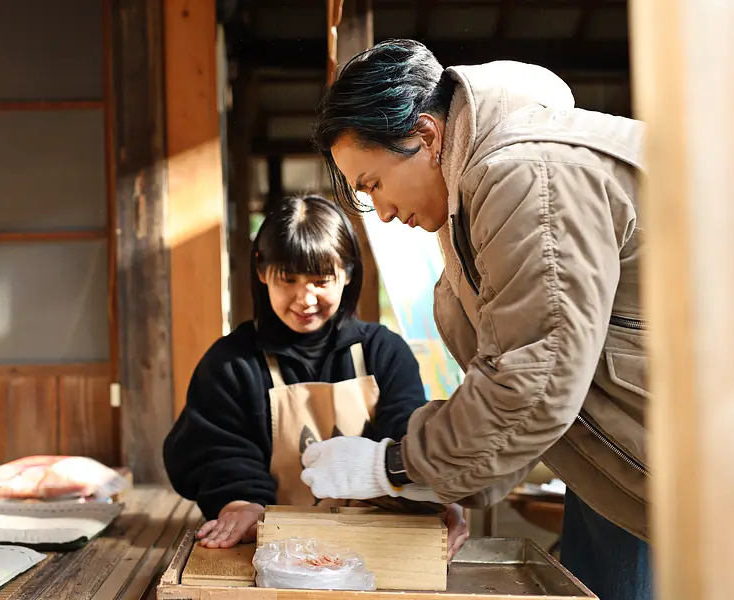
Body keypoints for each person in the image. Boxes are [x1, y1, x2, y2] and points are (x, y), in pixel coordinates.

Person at [299, 40, 651, 600]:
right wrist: (433, 484)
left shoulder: (527, 176)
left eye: (373, 185)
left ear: (427, 136)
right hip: (613, 460)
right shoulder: (470, 200)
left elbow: (531, 383)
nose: (383, 212)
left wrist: (393, 464)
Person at [163, 193, 470, 555]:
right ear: (262, 270)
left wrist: (432, 492)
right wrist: (240, 503)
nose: (305, 298)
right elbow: (218, 450)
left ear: (348, 272)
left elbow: (405, 434)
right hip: (267, 545)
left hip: (370, 542)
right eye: (288, 279)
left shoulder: (383, 352)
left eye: (321, 279)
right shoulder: (230, 363)